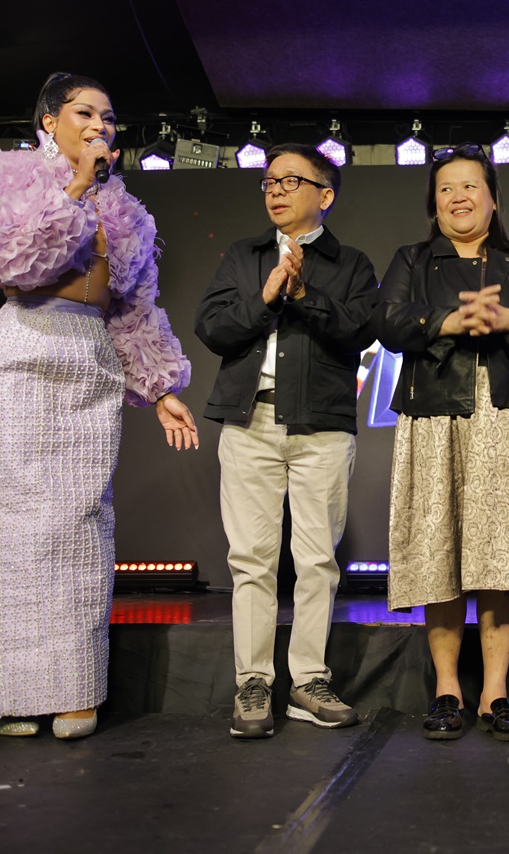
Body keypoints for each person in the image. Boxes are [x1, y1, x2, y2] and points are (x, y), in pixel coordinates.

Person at [0, 73, 200, 739]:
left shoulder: (130, 213)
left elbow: (135, 311)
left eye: (108, 117)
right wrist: (72, 189)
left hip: (89, 358)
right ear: (49, 120)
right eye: (85, 113)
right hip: (21, 349)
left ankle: (73, 688)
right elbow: (13, 263)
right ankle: (15, 691)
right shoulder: (4, 178)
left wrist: (162, 391)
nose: (100, 126)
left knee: (79, 526)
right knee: (15, 530)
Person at [375, 143, 509, 743]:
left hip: (506, 416)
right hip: (436, 414)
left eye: (469, 186)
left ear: (493, 199)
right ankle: (446, 690)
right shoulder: (412, 259)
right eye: (445, 188)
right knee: (439, 554)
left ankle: (495, 692)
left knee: (497, 556)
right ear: (433, 204)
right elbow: (386, 323)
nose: (458, 197)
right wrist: (445, 321)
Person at [194, 144, 378, 739]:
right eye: (269, 181)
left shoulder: (351, 263)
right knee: (252, 559)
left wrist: (303, 297)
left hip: (321, 424)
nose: (275, 189)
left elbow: (360, 331)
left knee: (317, 560)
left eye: (290, 181)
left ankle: (308, 681)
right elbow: (212, 327)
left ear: (325, 195)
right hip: (249, 421)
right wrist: (266, 297)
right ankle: (253, 681)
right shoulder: (244, 256)